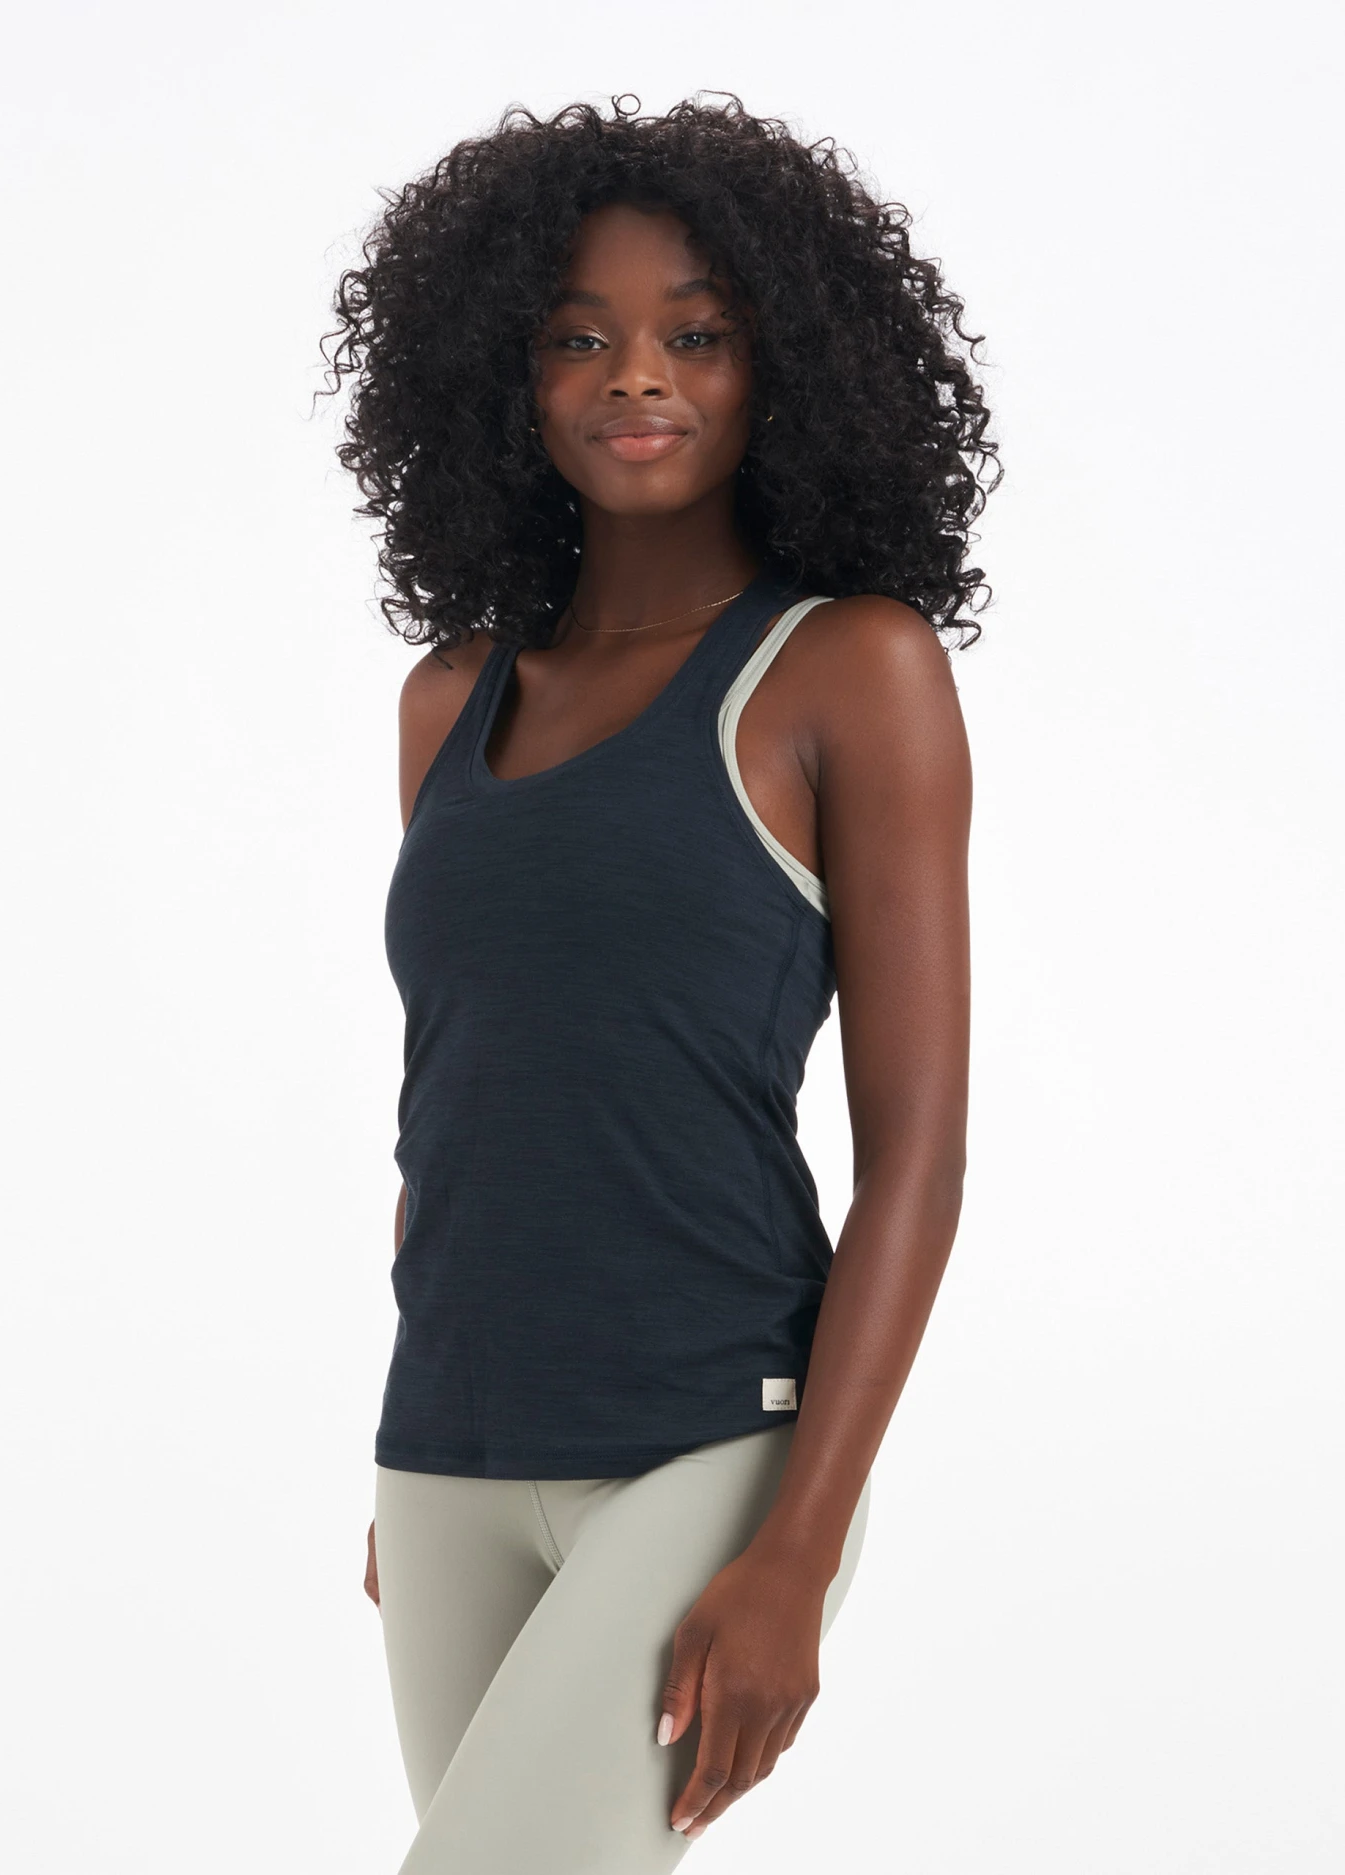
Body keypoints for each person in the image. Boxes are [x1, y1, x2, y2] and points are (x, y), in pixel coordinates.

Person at [320, 92, 996, 1874]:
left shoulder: (848, 671)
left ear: (785, 366)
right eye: (579, 337)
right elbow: (459, 1091)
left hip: (713, 1443)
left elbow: (916, 1162)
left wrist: (799, 1546)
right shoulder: (449, 697)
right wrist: (417, 1420)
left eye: (696, 334)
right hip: (446, 1450)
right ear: (504, 376)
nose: (637, 375)